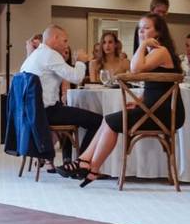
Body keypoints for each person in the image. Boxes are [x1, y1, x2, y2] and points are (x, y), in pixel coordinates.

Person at [77, 13, 185, 187]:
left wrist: (142, 45)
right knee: (108, 119)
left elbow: (134, 69)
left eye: (146, 28)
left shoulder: (161, 51)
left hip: (164, 114)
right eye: (140, 29)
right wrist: (140, 101)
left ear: (158, 32)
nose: (142, 32)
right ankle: (87, 162)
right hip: (154, 110)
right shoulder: (153, 52)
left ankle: (91, 166)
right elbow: (155, 87)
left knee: (111, 122)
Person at [20, 25, 100, 172]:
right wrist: (81, 61)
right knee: (98, 121)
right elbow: (77, 78)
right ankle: (81, 163)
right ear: (55, 38)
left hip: (31, 113)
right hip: (46, 112)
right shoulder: (50, 54)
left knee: (76, 115)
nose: (66, 44)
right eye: (64, 40)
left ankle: (74, 160)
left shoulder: (35, 56)